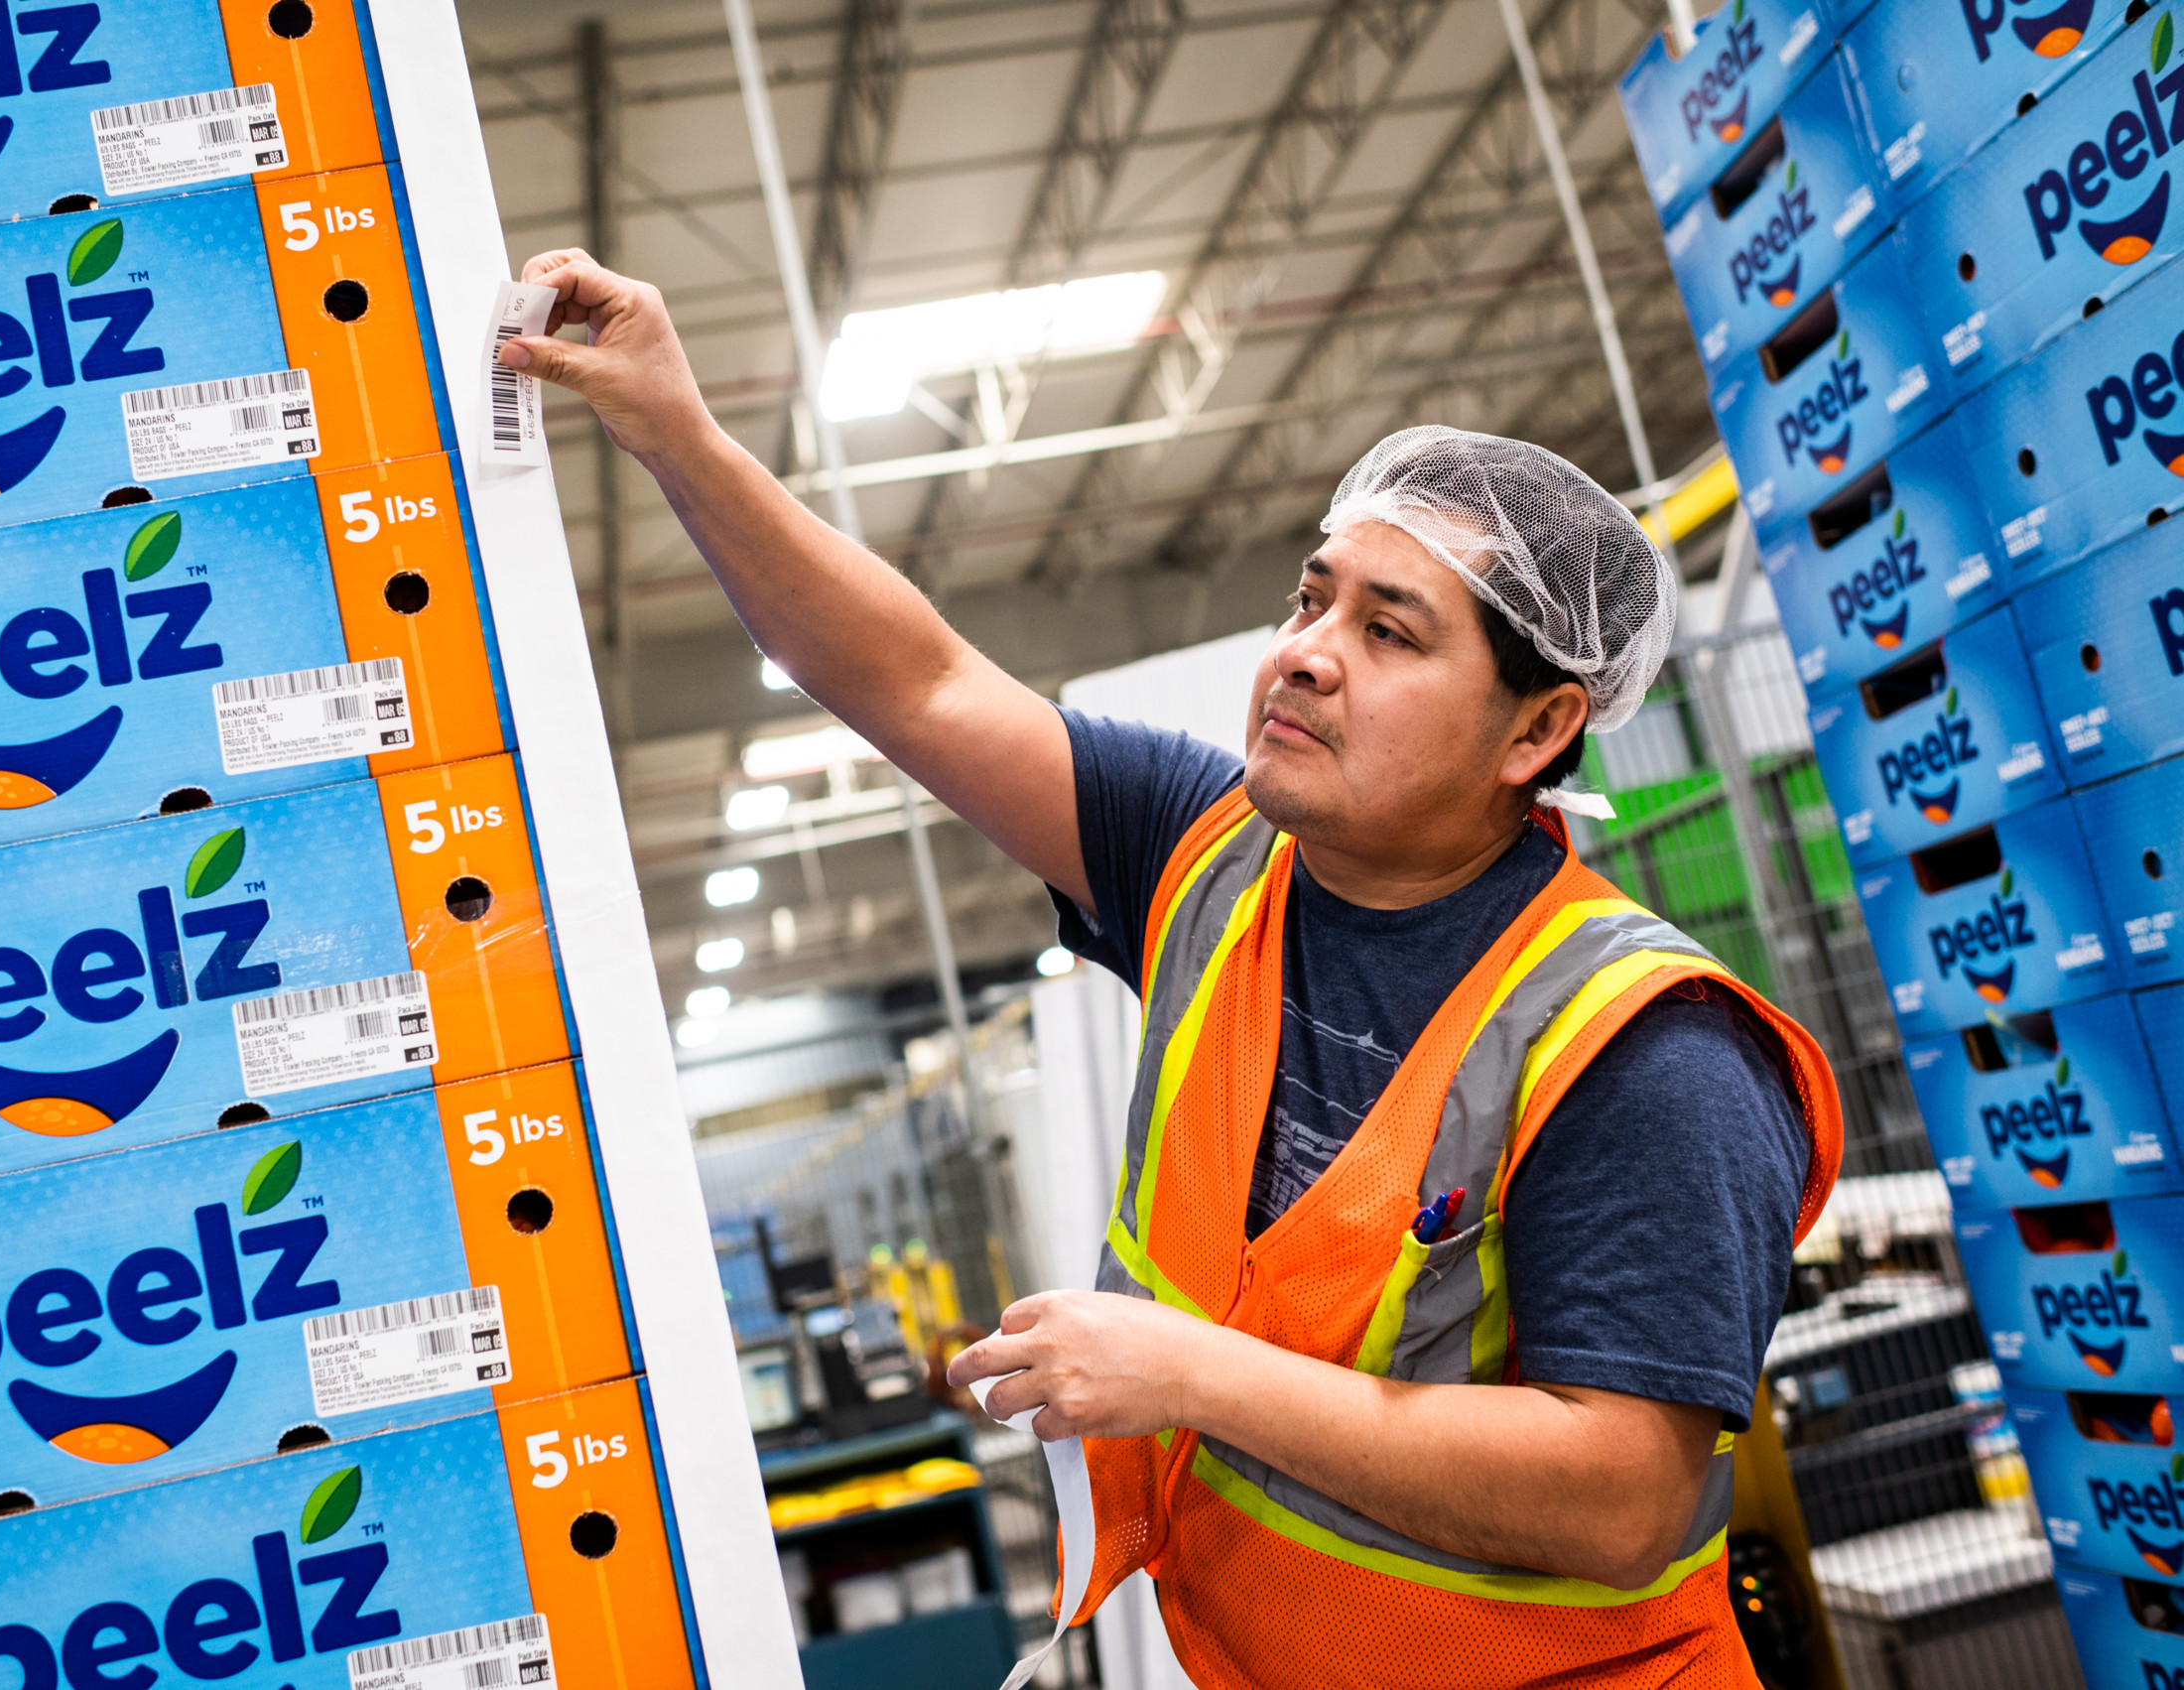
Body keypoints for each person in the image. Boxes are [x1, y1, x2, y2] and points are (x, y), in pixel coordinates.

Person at [496, 250, 1840, 1690]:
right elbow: (921, 682)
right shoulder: (1209, 862)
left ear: (1536, 732)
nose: (1307, 657)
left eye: (1388, 632)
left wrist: (1183, 1372)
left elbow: (1623, 1496)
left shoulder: (1638, 1048)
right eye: (1309, 600)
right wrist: (678, 434)